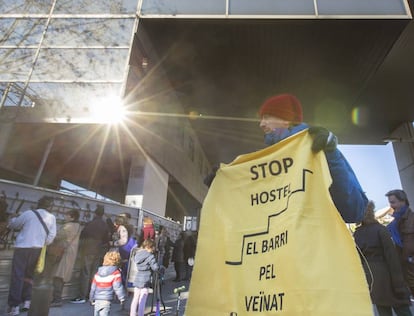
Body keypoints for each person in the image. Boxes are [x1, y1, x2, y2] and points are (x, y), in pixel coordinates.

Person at [187, 93, 372, 315]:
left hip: (314, 280)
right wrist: (225, 186)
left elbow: (355, 210)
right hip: (271, 285)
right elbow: (250, 218)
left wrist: (330, 154)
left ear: (286, 119)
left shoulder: (319, 147)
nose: (260, 124)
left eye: (267, 116)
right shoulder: (262, 164)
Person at [354, 200, 412, 316]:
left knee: (383, 310)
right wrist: (400, 285)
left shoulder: (357, 234)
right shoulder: (380, 230)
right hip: (388, 276)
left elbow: (358, 261)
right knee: (402, 310)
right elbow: (392, 259)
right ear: (372, 212)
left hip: (372, 278)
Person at [6, 196, 57, 316]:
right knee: (30, 275)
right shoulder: (52, 217)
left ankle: (14, 307)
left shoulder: (28, 213)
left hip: (22, 248)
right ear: (50, 206)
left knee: (18, 275)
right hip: (38, 249)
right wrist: (43, 242)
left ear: (38, 204)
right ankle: (27, 301)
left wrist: (12, 218)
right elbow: (51, 236)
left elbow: (15, 225)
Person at [71, 204, 110, 304]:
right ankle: (92, 296)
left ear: (95, 213)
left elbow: (83, 235)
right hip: (98, 251)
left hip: (88, 250)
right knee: (94, 273)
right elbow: (106, 239)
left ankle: (82, 296)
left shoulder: (91, 223)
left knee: (85, 273)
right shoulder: (104, 224)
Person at [46, 209, 82, 307]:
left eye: (67, 215)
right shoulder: (78, 226)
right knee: (61, 276)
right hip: (70, 253)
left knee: (58, 275)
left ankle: (57, 300)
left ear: (72, 217)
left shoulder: (68, 227)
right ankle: (57, 299)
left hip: (64, 253)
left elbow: (57, 236)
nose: (65, 217)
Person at [385, 189, 414, 296]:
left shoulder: (412, 219)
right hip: (407, 271)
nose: (391, 206)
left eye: (393, 202)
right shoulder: (394, 224)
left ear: (403, 201)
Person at [89, 251, 126, 316]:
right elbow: (118, 287)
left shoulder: (98, 272)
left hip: (97, 299)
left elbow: (93, 287)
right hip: (106, 300)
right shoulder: (115, 273)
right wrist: (122, 297)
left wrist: (91, 298)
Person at [129, 238, 159, 316]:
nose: (154, 249)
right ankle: (140, 314)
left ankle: (132, 314)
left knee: (135, 298)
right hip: (146, 279)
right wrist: (160, 268)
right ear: (150, 247)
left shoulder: (138, 254)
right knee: (142, 300)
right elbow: (155, 268)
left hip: (137, 277)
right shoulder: (150, 256)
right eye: (153, 247)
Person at [111, 215, 137, 286]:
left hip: (125, 251)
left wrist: (113, 243)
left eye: (115, 222)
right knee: (126, 271)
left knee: (122, 271)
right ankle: (126, 287)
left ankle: (123, 288)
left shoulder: (122, 228)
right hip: (128, 251)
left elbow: (123, 240)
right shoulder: (128, 228)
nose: (114, 224)